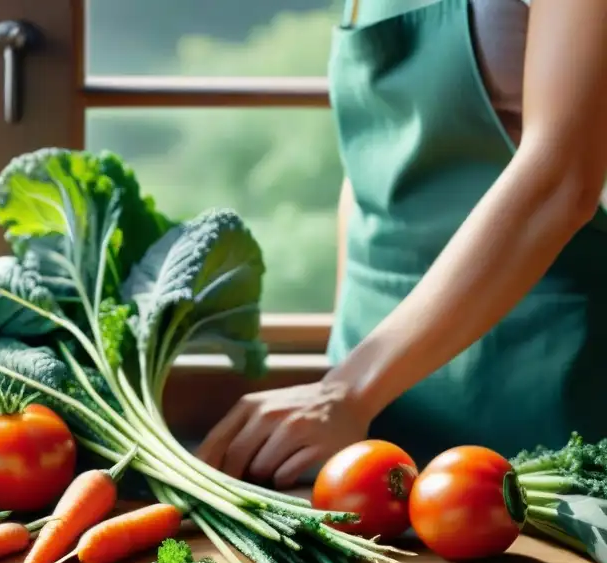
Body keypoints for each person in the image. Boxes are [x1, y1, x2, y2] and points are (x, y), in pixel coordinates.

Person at [198, 0, 607, 488]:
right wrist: (343, 374)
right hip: (369, 419)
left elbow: (561, 182)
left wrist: (349, 389)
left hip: (533, 392)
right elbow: (371, 166)